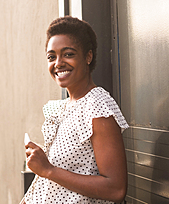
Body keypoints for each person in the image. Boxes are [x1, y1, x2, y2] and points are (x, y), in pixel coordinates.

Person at [21, 16, 129, 204]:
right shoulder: (63, 106)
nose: (58, 63)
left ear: (88, 56)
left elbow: (116, 189)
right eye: (51, 56)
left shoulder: (97, 107)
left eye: (68, 54)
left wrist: (48, 170)